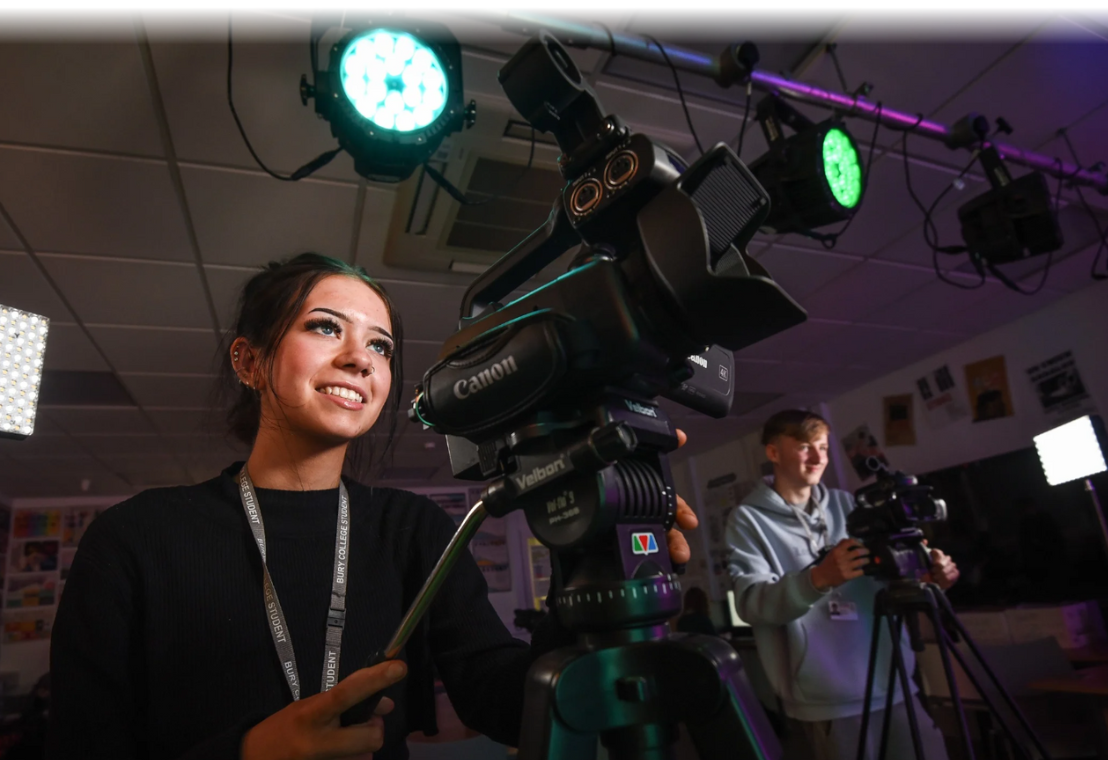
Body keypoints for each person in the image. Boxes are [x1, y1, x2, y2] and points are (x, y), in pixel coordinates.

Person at [47, 253, 698, 760]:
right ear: (249, 361)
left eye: (381, 346)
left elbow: (501, 701)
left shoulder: (410, 529)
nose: (359, 358)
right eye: (325, 327)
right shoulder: (134, 538)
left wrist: (585, 563)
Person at [724, 410, 960, 760]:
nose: (819, 457)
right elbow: (750, 604)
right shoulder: (748, 520)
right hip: (826, 698)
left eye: (823, 446)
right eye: (805, 447)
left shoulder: (848, 505)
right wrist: (817, 579)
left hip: (895, 680)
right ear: (773, 453)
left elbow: (883, 580)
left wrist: (927, 576)